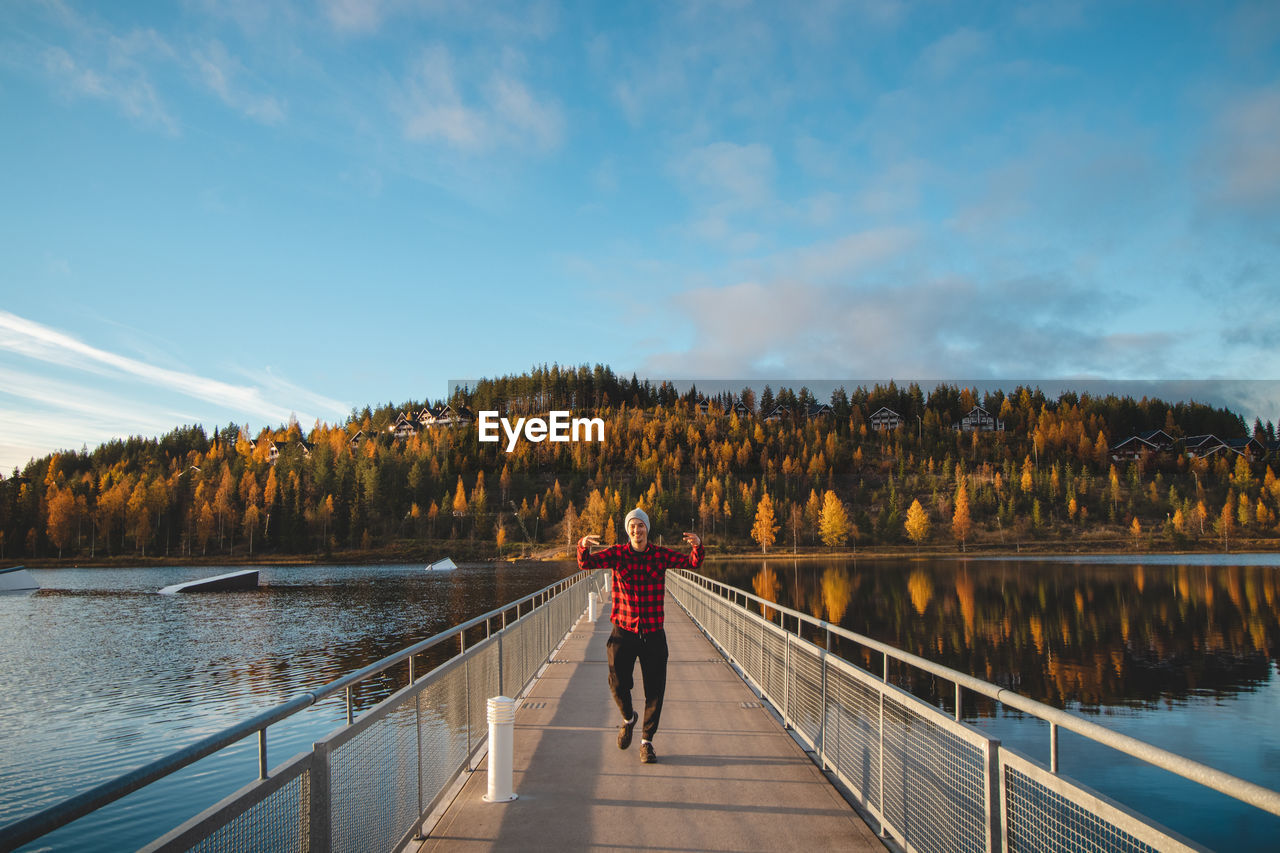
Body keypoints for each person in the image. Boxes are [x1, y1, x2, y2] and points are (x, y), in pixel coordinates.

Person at [578, 507, 702, 764]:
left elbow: (692, 563)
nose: (637, 530)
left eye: (641, 526)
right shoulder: (617, 554)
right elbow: (586, 564)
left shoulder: (659, 555)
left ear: (647, 529)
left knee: (655, 689)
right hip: (623, 631)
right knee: (617, 681)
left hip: (653, 633)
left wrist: (697, 547)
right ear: (628, 530)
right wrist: (582, 545)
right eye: (632, 526)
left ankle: (647, 741)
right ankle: (628, 718)